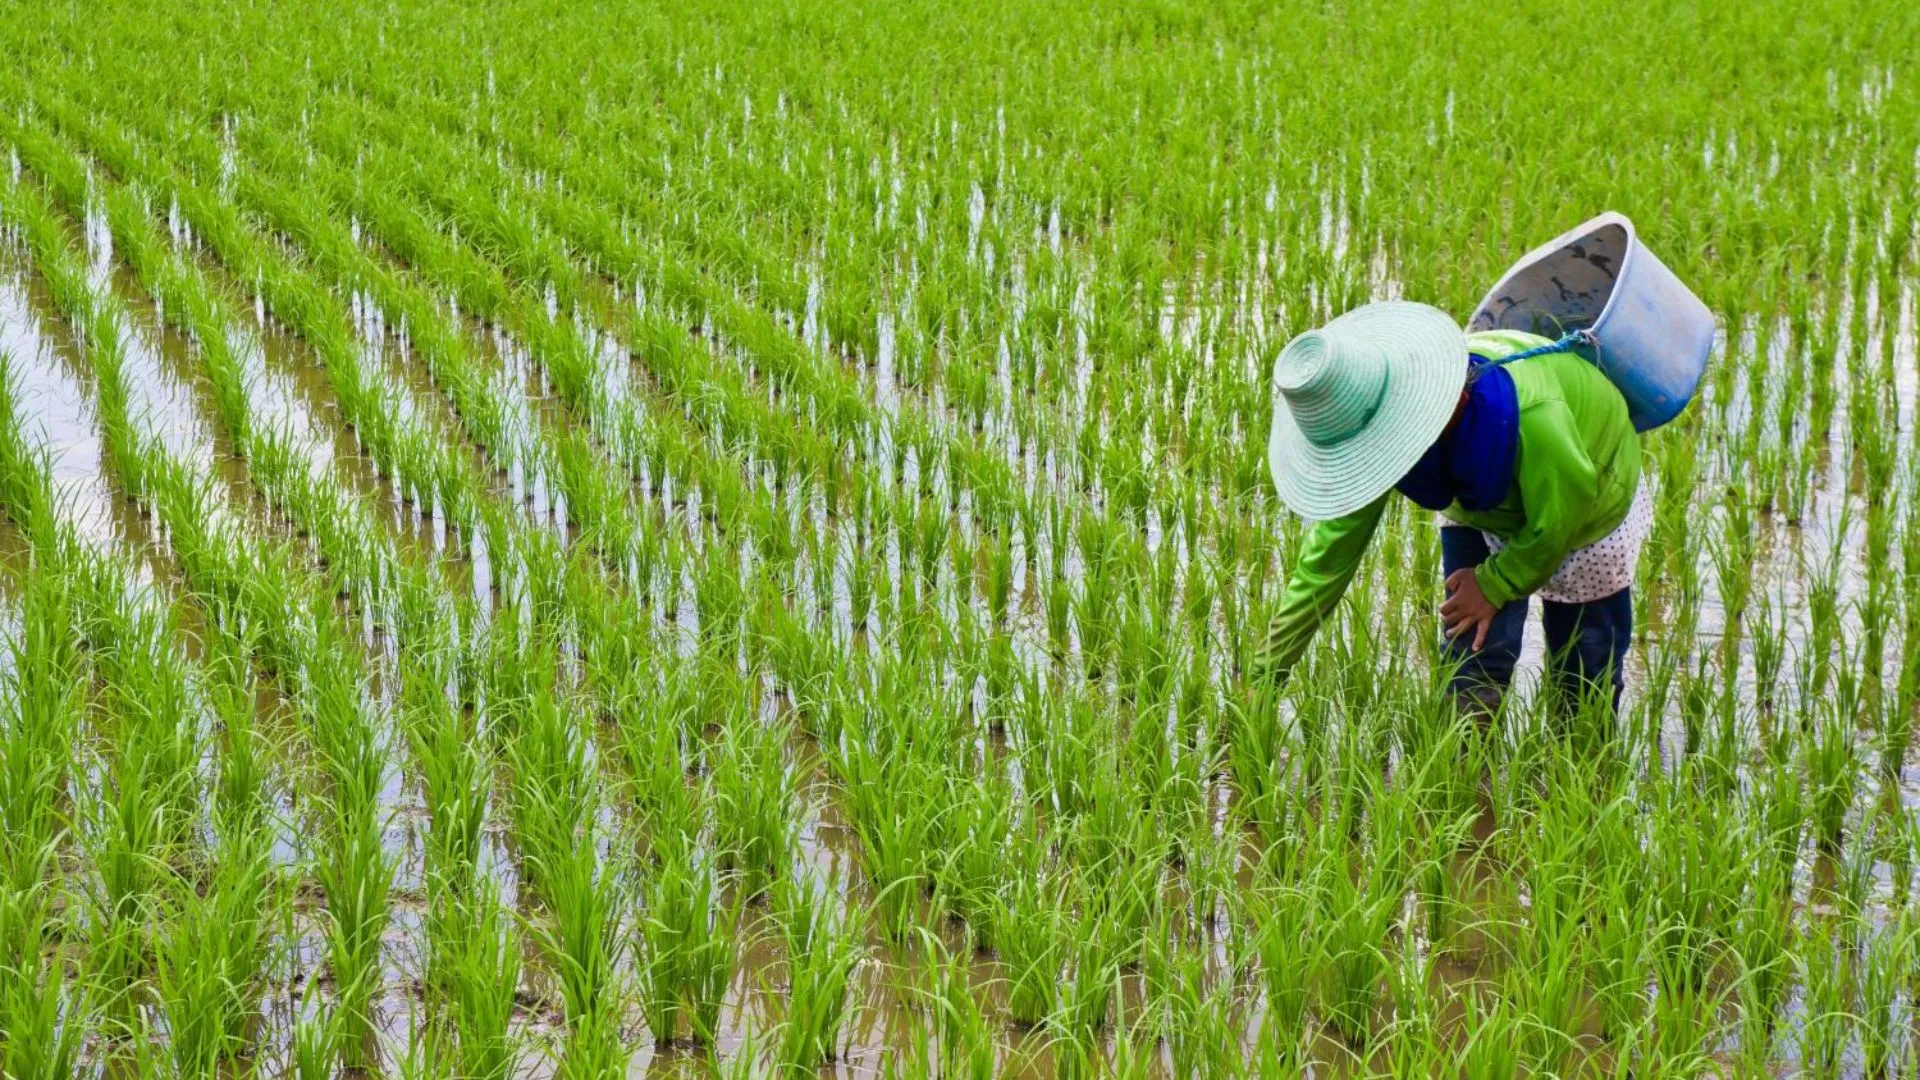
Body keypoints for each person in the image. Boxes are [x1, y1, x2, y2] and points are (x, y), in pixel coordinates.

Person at [1251, 300, 1649, 716]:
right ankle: (1467, 769)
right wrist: (1266, 672)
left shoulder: (1535, 416)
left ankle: (1585, 769)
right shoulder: (1375, 436)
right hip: (1480, 500)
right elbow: (1328, 560)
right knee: (1471, 657)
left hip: (1589, 500)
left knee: (1584, 670)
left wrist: (1497, 583)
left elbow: (1562, 514)